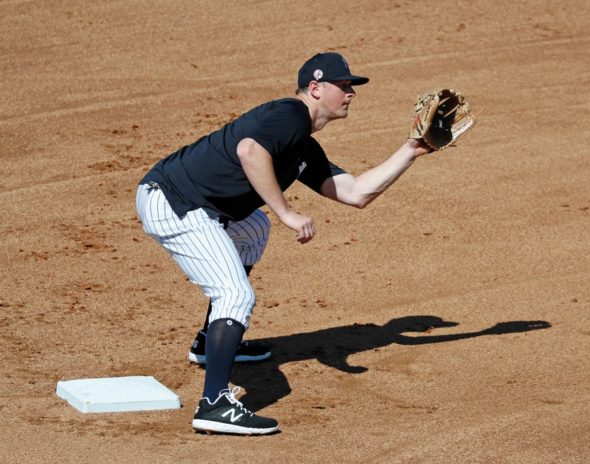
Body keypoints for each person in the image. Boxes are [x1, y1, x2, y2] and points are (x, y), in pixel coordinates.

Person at [135, 52, 432, 435]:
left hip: (196, 205)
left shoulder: (303, 145)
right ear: (315, 88)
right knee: (235, 295)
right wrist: (287, 212)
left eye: (351, 87)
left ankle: (211, 341)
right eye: (343, 86)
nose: (351, 93)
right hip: (175, 201)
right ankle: (214, 405)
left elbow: (357, 192)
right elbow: (249, 151)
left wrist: (412, 150)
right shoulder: (290, 114)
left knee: (254, 229)